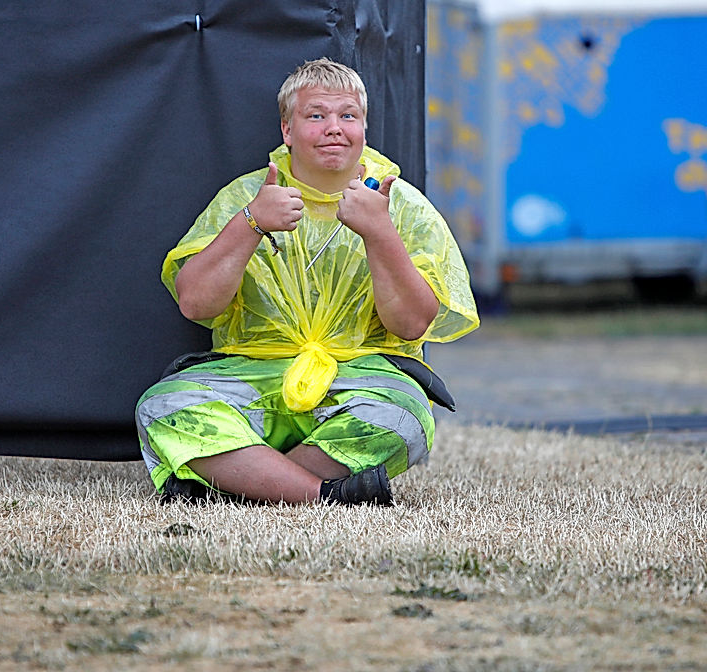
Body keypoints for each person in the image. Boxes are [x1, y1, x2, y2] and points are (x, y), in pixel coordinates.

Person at [135, 58, 478, 506]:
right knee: (164, 408)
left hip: (358, 380)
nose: (334, 128)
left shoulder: (402, 206)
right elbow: (196, 304)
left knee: (404, 417)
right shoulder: (247, 196)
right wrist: (251, 223)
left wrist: (379, 232)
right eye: (316, 115)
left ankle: (240, 482)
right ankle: (323, 494)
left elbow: (411, 324)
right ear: (287, 131)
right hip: (252, 376)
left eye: (347, 116)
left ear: (364, 128)